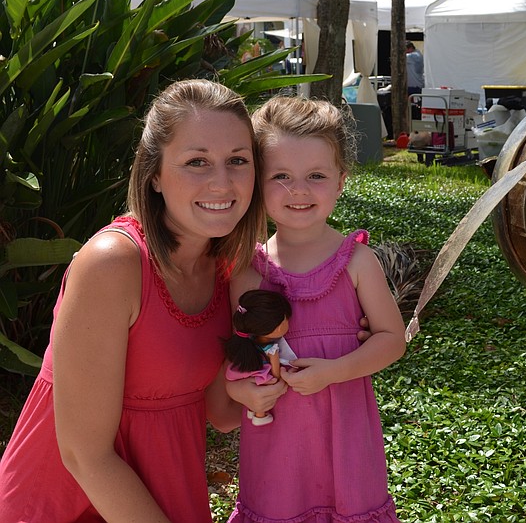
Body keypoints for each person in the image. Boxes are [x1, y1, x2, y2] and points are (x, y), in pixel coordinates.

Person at [0, 79, 280, 522]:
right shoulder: (113, 263)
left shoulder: (225, 268)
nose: (222, 182)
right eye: (197, 162)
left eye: (238, 160)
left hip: (166, 492)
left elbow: (220, 414)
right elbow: (84, 455)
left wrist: (319, 341)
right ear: (154, 175)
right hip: (72, 502)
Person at [226, 95, 407, 522]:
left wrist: (333, 372)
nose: (299, 190)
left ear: (341, 181)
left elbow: (391, 339)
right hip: (276, 447)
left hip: (345, 437)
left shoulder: (357, 262)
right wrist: (241, 390)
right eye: (281, 176)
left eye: (316, 175)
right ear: (257, 182)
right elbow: (234, 356)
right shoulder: (248, 272)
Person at [224, 289, 295, 425]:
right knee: (264, 388)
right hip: (262, 374)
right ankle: (259, 416)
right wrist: (277, 379)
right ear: (278, 327)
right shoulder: (272, 349)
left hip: (248, 372)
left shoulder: (250, 341)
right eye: (286, 319)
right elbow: (275, 368)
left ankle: (252, 410)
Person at [406, 40, 424, 119]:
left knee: (412, 108)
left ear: (409, 48)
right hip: (417, 85)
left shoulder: (412, 56)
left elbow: (399, 57)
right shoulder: (418, 54)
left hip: (413, 86)